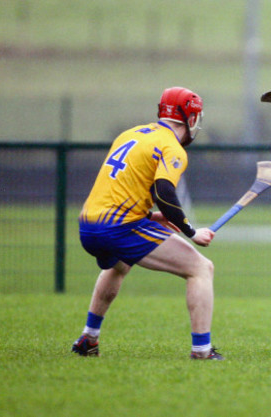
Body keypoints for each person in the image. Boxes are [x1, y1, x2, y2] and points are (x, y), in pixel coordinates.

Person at [71, 86, 222, 360]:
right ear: (189, 117)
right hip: (118, 228)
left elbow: (123, 189)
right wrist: (191, 231)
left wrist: (152, 216)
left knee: (119, 265)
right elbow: (164, 191)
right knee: (201, 268)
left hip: (88, 225)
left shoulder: (130, 134)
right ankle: (202, 350)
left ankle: (88, 338)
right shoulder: (171, 146)